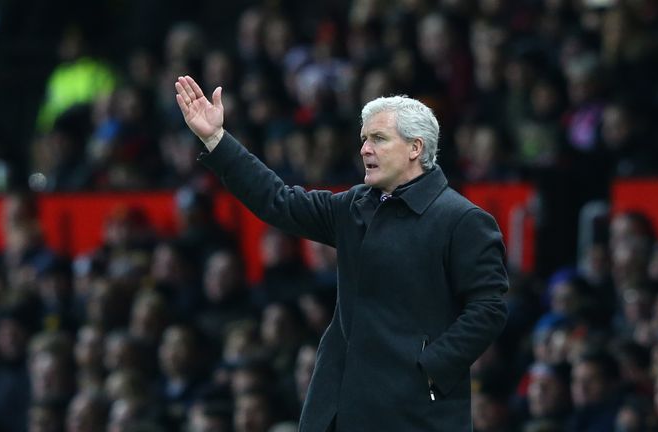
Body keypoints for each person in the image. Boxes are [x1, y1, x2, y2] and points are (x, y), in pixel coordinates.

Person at [174, 75, 509, 431]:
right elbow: (279, 201)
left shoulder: (463, 220)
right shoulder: (355, 207)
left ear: (415, 148)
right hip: (337, 405)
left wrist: (428, 369)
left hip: (412, 413)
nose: (365, 148)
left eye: (378, 139)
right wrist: (215, 139)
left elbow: (489, 308)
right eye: (364, 138)